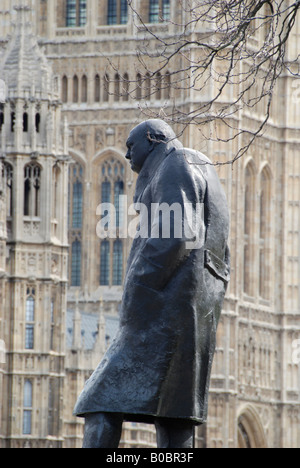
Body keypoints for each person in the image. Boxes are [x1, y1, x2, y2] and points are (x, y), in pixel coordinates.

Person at [73, 119, 230, 448]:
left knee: (99, 402)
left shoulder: (175, 163)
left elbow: (176, 234)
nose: (127, 155)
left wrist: (139, 286)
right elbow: (221, 252)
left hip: (164, 309)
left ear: (154, 139)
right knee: (175, 415)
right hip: (196, 310)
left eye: (131, 146)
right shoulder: (201, 166)